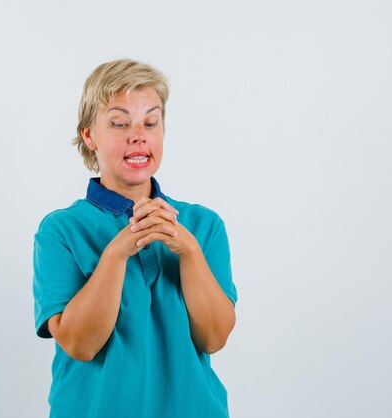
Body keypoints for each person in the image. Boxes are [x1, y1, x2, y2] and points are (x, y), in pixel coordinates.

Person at [33, 59, 238, 418]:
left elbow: (214, 338)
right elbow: (80, 344)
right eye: (119, 123)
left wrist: (189, 252)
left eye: (150, 122)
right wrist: (116, 253)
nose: (138, 134)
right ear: (89, 136)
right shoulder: (60, 230)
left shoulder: (203, 225)